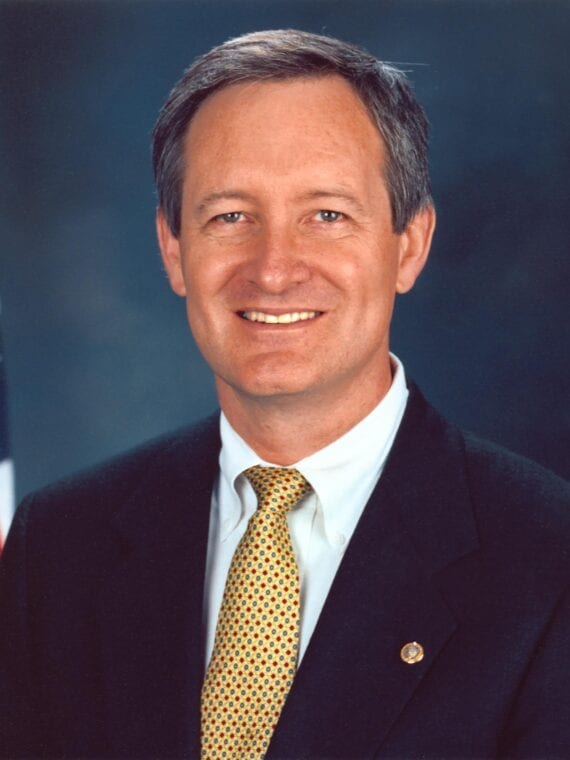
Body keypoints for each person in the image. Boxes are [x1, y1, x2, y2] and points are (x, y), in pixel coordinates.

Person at [0, 29, 568, 760]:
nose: (272, 270)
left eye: (327, 215)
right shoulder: (57, 547)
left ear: (410, 244)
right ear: (173, 249)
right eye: (230, 216)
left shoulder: (547, 560)